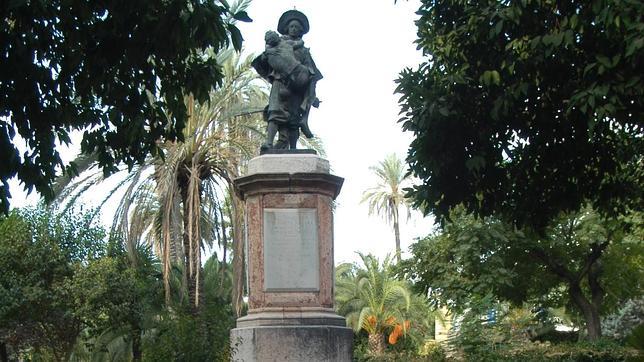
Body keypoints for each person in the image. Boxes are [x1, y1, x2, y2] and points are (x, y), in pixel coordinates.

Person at [252, 10, 322, 151]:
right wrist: (266, 57)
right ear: (286, 28)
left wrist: (311, 96)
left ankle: (292, 147)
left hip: (297, 88)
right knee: (275, 112)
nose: (294, 29)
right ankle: (269, 143)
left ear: (301, 31)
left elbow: (312, 73)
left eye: (297, 27)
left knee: (293, 119)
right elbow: (265, 62)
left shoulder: (304, 51)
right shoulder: (277, 45)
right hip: (279, 83)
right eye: (292, 27)